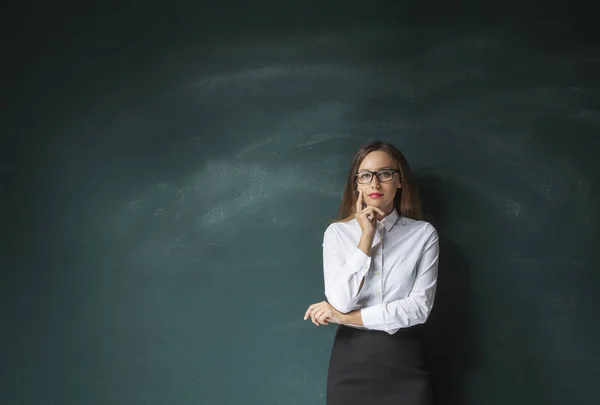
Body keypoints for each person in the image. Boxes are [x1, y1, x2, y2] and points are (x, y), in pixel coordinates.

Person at [303, 141, 439, 405]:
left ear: (399, 181)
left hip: (405, 361)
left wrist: (343, 317)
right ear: (357, 184)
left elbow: (419, 308)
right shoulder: (338, 234)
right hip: (352, 363)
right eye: (366, 175)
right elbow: (341, 300)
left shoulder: (423, 235)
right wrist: (366, 237)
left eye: (385, 173)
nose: (375, 184)